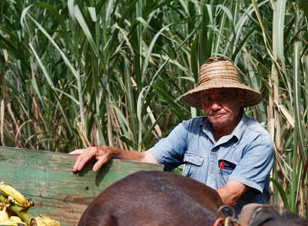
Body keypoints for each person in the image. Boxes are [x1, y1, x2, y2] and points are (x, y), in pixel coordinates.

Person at [71, 56, 274, 214]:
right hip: (194, 224)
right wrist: (112, 152)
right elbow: (146, 159)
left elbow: (231, 195)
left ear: (240, 97)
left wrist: (173, 202)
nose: (214, 105)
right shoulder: (190, 129)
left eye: (223, 96)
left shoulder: (257, 140)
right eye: (207, 98)